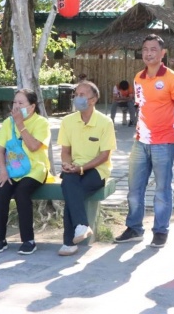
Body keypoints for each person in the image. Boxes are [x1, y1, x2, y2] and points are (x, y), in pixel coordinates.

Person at [115, 34, 174, 248]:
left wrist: (173, 133)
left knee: (162, 189)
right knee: (134, 188)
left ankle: (160, 230)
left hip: (164, 142)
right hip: (140, 141)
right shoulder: (138, 77)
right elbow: (142, 107)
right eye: (145, 49)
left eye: (153, 49)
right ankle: (134, 228)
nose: (149, 53)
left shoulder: (173, 78)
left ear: (162, 53)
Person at [57, 81, 116, 256]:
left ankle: (68, 242)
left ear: (93, 99)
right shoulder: (68, 121)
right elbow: (65, 151)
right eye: (76, 94)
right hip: (75, 168)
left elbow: (104, 155)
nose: (78, 98)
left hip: (97, 169)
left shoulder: (105, 122)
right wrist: (67, 164)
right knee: (69, 182)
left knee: (71, 191)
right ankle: (82, 226)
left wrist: (82, 168)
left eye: (82, 95)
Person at [0, 88, 52, 255]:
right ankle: (0, 239)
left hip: (35, 169)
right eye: (14, 102)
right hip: (12, 169)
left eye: (21, 103)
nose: (16, 106)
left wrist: (20, 124)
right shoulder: (7, 123)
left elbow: (33, 146)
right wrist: (2, 171)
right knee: (1, 192)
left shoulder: (41, 123)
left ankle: (28, 240)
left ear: (32, 107)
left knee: (22, 192)